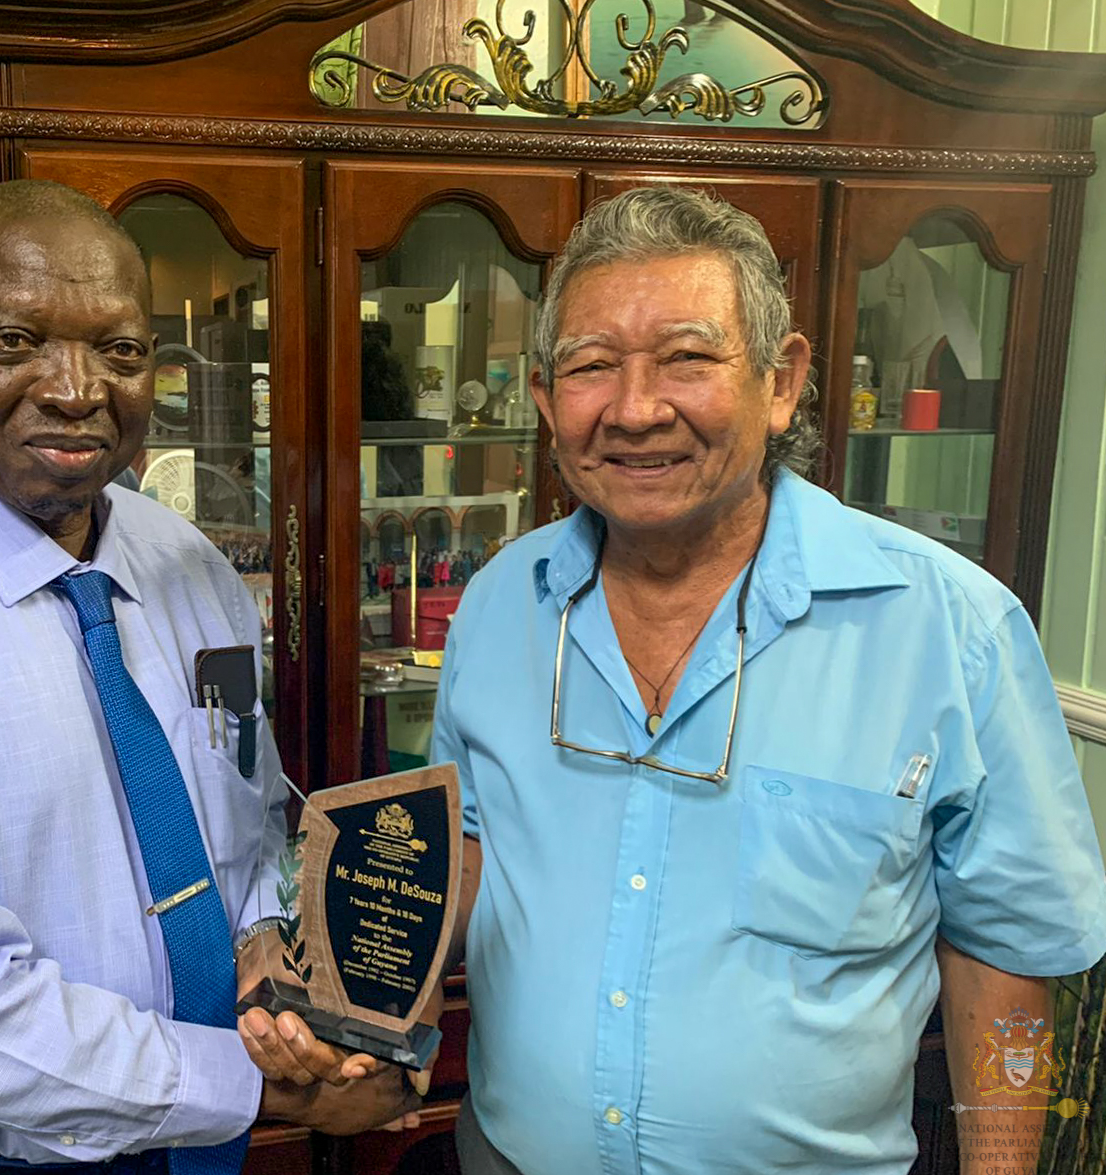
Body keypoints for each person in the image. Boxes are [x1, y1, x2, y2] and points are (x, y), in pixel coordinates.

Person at [0, 179, 416, 1175]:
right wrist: (253, 1084)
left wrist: (267, 940)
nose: (77, 389)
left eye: (119, 351)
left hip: (191, 1147)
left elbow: (247, 810)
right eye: (15, 342)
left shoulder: (192, 567)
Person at [433, 185, 1106, 1175]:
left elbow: (1005, 952)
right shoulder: (500, 604)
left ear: (781, 380)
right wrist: (359, 995)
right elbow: (468, 846)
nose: (635, 409)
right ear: (544, 398)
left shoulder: (950, 630)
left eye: (687, 357)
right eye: (591, 366)